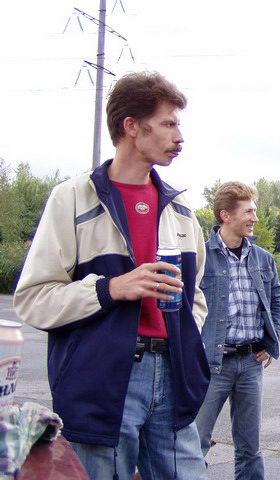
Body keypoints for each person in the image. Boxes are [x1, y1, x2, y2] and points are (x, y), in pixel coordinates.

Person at [13, 72, 210, 479]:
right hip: (100, 383)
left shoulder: (181, 210)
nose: (180, 137)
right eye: (169, 123)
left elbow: (196, 297)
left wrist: (184, 344)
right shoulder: (72, 198)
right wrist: (109, 289)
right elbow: (33, 299)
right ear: (132, 126)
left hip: (173, 379)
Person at [195, 181, 280, 479]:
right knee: (195, 442)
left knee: (249, 447)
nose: (254, 218)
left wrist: (270, 342)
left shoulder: (263, 259)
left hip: (250, 363)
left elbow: (276, 302)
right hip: (211, 364)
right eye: (248, 212)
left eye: (254, 211)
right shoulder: (201, 256)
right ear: (225, 215)